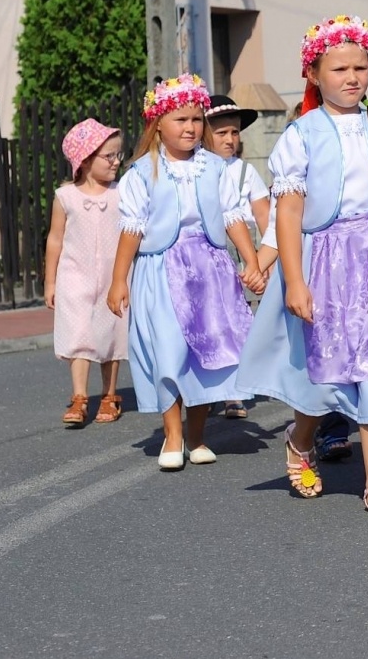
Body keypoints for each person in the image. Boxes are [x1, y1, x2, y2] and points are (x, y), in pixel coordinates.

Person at [237, 16, 368, 517]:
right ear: (313, 73)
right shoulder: (301, 134)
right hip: (325, 259)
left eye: (360, 67)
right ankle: (301, 438)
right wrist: (294, 280)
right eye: (339, 69)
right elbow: (288, 210)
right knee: (323, 374)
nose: (352, 77)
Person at [107, 75, 263, 470]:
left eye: (196, 119)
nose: (191, 127)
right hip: (161, 270)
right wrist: (118, 279)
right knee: (170, 351)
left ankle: (197, 435)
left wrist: (251, 259)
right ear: (158, 123)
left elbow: (232, 217)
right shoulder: (142, 173)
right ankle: (172, 435)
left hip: (209, 269)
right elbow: (132, 230)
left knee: (207, 353)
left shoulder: (216, 168)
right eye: (181, 119)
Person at [45, 119, 128, 427]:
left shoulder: (122, 193)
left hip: (112, 276)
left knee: (111, 333)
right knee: (78, 331)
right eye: (109, 156)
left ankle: (109, 395)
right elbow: (55, 239)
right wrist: (51, 281)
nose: (116, 161)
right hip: (74, 275)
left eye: (118, 154)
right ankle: (80, 397)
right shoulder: (66, 197)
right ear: (85, 159)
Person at [205, 94, 268, 419]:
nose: (230, 139)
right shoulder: (199, 169)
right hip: (207, 256)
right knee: (210, 325)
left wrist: (263, 260)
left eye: (234, 132)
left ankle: (234, 392)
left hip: (239, 257)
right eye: (222, 133)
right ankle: (208, 387)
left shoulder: (244, 172)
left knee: (238, 324)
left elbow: (263, 216)